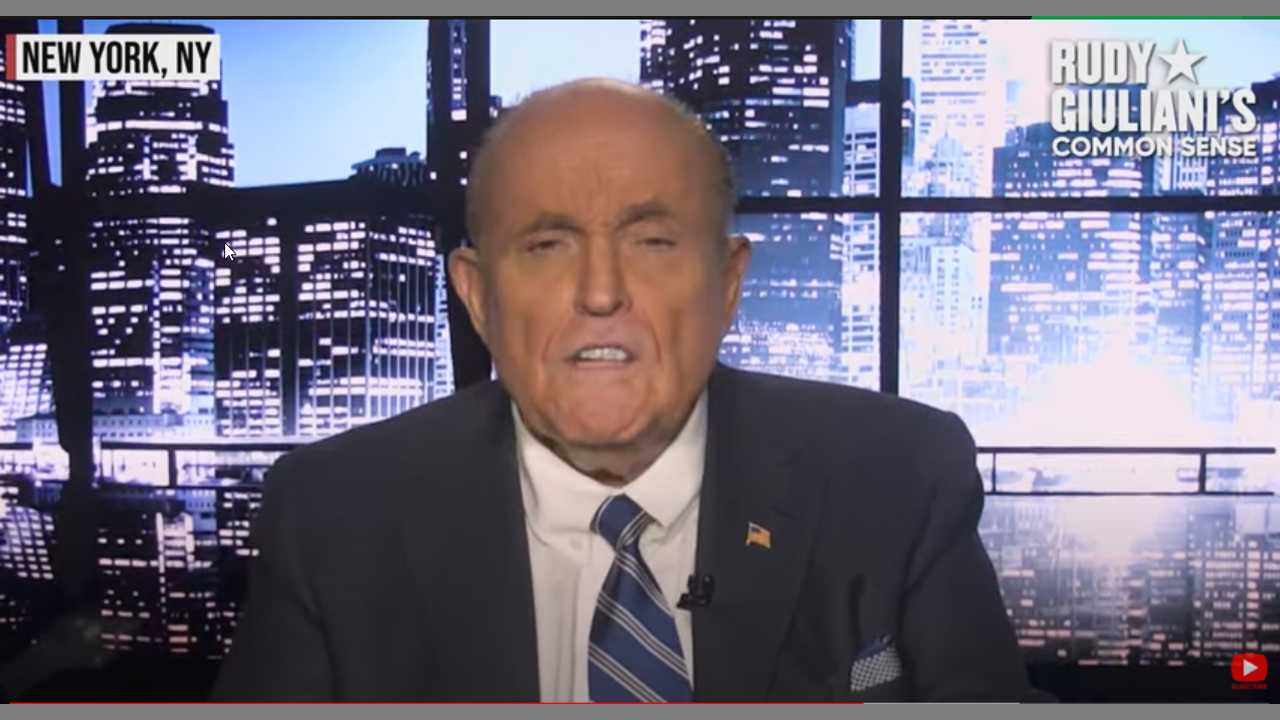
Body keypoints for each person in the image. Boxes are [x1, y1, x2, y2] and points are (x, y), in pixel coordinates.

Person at [210, 78, 1036, 703]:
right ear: (477, 297)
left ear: (727, 285)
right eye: (547, 245)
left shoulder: (897, 477)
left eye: (652, 242)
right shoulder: (335, 513)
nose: (601, 292)